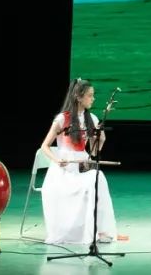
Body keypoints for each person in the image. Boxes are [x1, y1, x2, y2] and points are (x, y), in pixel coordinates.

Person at [38, 78, 118, 244]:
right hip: (63, 171)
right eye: (90, 95)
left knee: (98, 179)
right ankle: (74, 232)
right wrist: (57, 159)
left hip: (82, 167)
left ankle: (99, 230)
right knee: (90, 183)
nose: (93, 98)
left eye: (93, 95)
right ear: (78, 97)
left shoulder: (92, 119)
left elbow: (93, 153)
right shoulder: (62, 119)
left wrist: (101, 141)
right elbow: (44, 146)